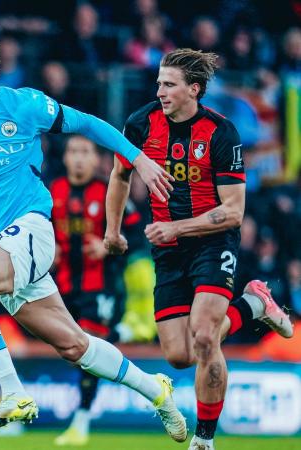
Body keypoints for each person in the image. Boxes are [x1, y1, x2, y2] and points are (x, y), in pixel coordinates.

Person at [0, 39, 187, 441]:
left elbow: (88, 124)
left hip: (31, 230)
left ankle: (13, 392)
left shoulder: (24, 106)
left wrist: (140, 159)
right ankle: (156, 391)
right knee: (74, 345)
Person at [104, 48, 294, 450]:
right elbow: (120, 175)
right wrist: (113, 230)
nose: (159, 91)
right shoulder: (141, 123)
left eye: (169, 84)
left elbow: (234, 212)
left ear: (195, 89)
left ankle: (204, 441)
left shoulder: (221, 133)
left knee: (206, 337)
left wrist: (175, 225)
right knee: (179, 355)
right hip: (168, 251)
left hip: (213, 242)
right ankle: (253, 306)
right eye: (158, 83)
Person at [50, 135, 141, 446]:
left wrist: (109, 246)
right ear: (65, 158)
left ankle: (81, 421)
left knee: (89, 348)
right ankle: (120, 336)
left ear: (96, 160)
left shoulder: (109, 191)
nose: (78, 158)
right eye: (73, 151)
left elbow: (139, 236)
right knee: (73, 351)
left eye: (84, 152)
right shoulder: (52, 191)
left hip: (99, 288)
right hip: (60, 289)